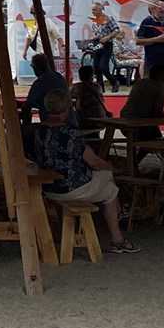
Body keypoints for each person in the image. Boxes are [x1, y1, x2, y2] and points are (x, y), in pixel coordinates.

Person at [37, 87, 138, 253]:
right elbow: (94, 162)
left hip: (47, 188)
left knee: (107, 179)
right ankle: (117, 236)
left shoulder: (38, 131)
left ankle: (119, 216)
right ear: (68, 108)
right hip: (72, 187)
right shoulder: (71, 133)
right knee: (110, 187)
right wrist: (112, 167)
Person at [19, 52, 66, 127]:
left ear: (36, 68)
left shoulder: (40, 82)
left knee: (25, 108)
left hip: (49, 121)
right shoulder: (59, 77)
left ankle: (26, 131)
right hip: (66, 118)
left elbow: (28, 104)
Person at [134, 4, 164, 80]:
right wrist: (157, 39)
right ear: (153, 9)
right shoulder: (147, 21)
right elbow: (138, 41)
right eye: (161, 8)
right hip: (152, 64)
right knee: (153, 85)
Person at [84, 1, 119, 82]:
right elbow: (97, 34)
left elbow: (117, 30)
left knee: (103, 67)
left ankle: (114, 82)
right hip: (98, 45)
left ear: (100, 10)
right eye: (92, 10)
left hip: (107, 45)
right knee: (96, 68)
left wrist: (107, 37)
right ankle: (100, 86)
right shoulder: (94, 21)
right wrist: (93, 38)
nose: (93, 12)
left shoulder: (108, 18)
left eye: (94, 10)